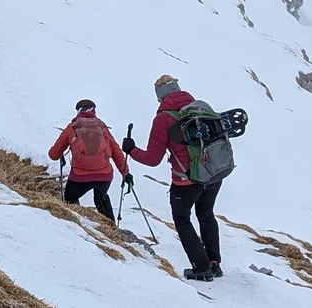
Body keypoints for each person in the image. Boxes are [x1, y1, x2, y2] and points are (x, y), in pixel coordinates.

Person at [124, 75, 223, 282]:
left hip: (186, 180)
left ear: (160, 98)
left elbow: (152, 159)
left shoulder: (164, 118)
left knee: (182, 219)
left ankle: (201, 268)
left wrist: (131, 150)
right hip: (213, 174)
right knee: (206, 213)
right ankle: (214, 263)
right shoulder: (201, 108)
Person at [48, 99, 130, 222]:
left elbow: (53, 155)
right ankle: (111, 229)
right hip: (104, 175)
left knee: (70, 197)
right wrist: (125, 173)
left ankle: (76, 224)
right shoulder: (102, 127)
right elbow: (116, 151)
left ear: (78, 111)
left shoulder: (73, 127)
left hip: (79, 176)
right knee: (101, 198)